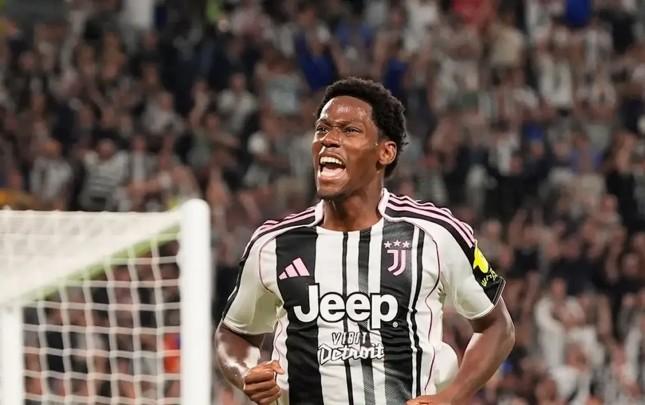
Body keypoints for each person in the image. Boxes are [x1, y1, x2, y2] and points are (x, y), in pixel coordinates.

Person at [214, 77, 515, 405]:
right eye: (322, 129)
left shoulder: (435, 234)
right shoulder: (273, 244)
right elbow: (234, 332)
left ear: (385, 152)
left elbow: (496, 326)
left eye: (349, 130)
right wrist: (245, 371)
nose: (329, 140)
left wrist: (453, 396)